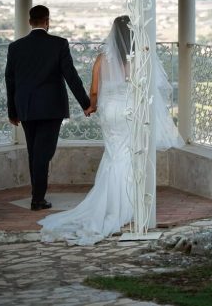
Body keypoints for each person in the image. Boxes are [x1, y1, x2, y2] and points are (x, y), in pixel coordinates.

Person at [38, 15, 183, 244]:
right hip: (129, 111)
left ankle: (107, 202)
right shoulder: (140, 58)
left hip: (109, 112)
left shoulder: (101, 59)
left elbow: (94, 90)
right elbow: (147, 88)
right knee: (128, 154)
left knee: (113, 153)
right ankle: (127, 204)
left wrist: (92, 106)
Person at [5, 4, 93, 211]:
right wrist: (86, 103)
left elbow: (10, 81)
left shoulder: (15, 47)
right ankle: (37, 199)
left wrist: (12, 112)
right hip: (51, 108)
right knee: (43, 153)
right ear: (47, 21)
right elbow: (71, 76)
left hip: (25, 107)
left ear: (30, 22)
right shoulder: (59, 44)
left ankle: (37, 195)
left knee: (34, 152)